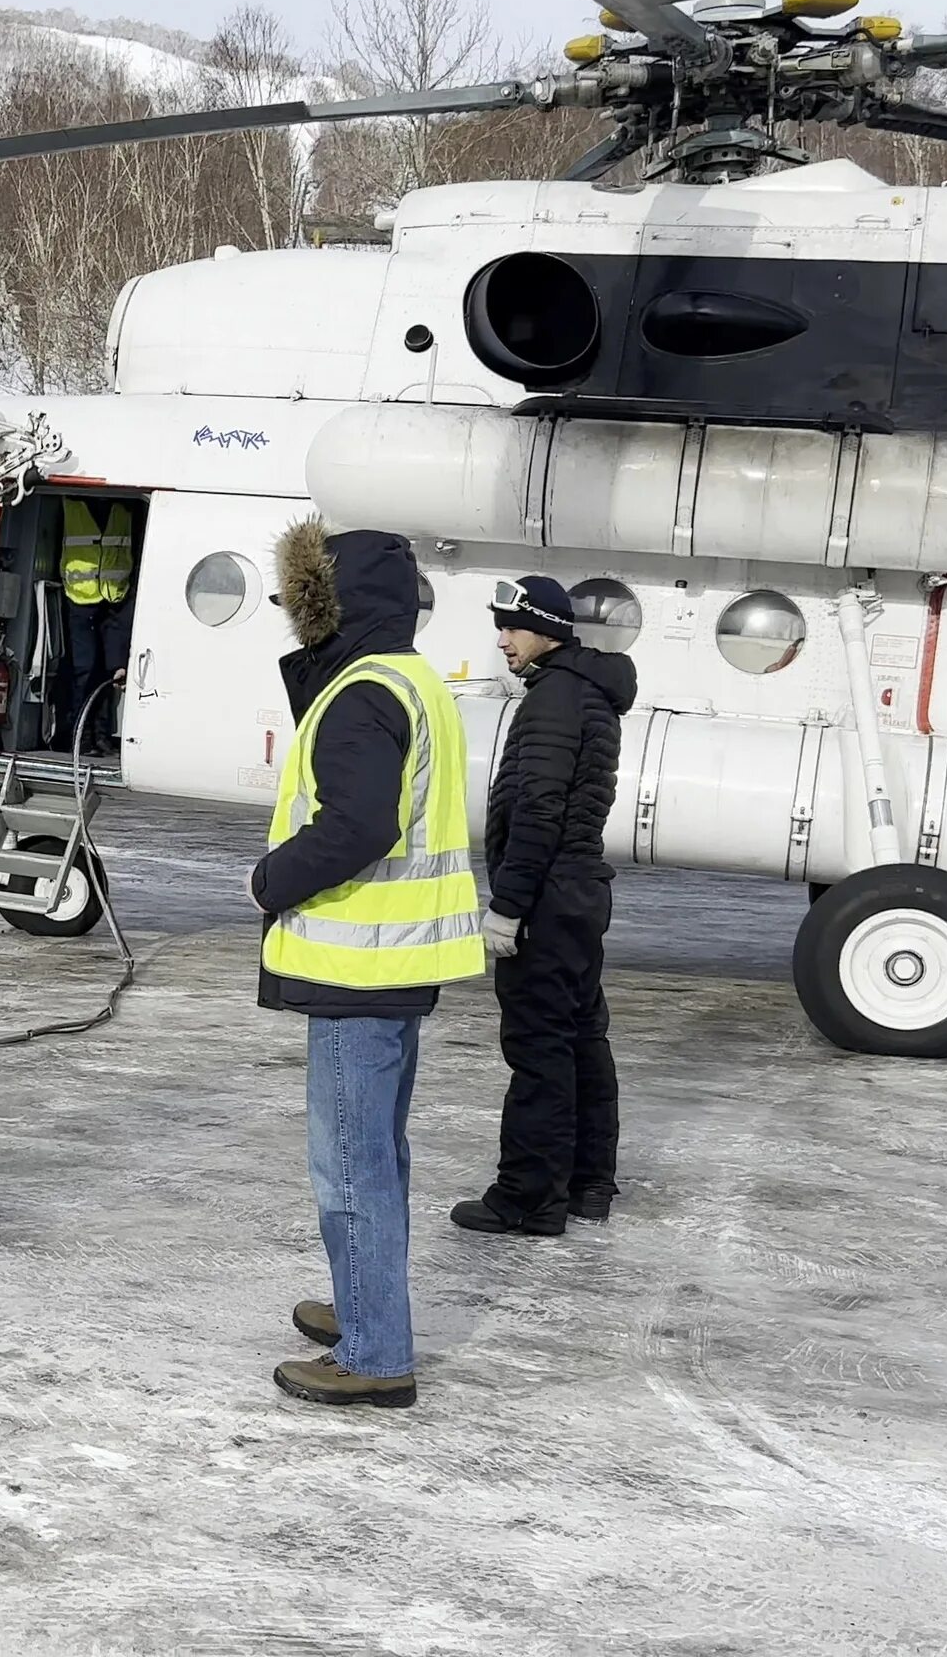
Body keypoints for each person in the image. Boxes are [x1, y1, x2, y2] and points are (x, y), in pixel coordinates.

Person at [248, 522, 483, 1411]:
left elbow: (357, 825)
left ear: (328, 607)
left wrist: (269, 881)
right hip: (394, 959)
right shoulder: (409, 678)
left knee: (350, 1164)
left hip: (359, 962)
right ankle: (362, 1303)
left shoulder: (359, 691)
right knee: (374, 1152)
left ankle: (377, 1349)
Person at [455, 576, 638, 1237]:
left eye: (512, 625)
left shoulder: (556, 699)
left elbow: (538, 809)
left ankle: (529, 1197)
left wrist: (508, 904)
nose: (502, 639)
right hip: (579, 893)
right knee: (581, 1038)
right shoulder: (588, 692)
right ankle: (589, 1183)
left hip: (549, 897)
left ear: (545, 628)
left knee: (539, 1049)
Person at [54, 498, 134, 754]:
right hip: (80, 597)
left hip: (115, 597)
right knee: (83, 670)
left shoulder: (125, 506)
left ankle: (99, 734)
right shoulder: (72, 504)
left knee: (109, 673)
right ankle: (78, 734)